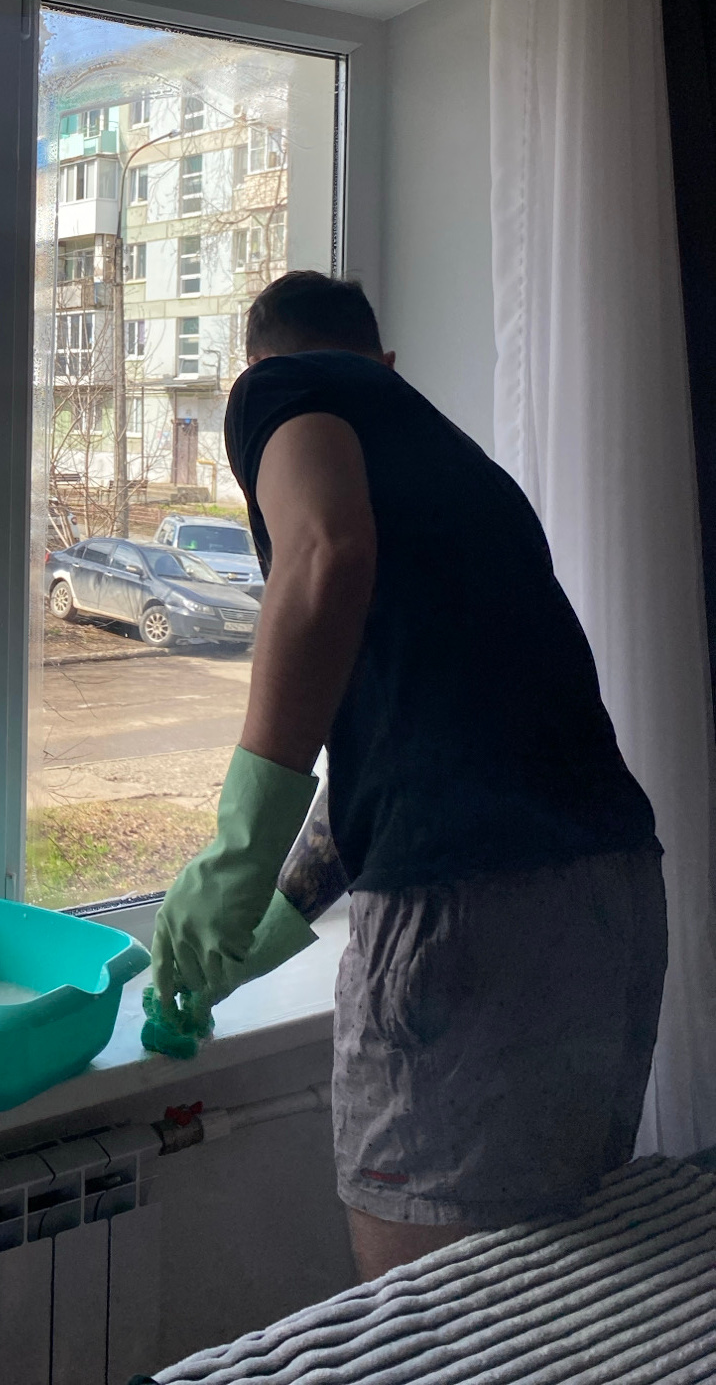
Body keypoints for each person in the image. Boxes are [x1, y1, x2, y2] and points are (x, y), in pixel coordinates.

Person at [151, 269, 665, 1280]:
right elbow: (410, 747)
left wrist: (240, 844)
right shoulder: (465, 471)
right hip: (612, 894)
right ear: (386, 361)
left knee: (431, 1325)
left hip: (465, 920)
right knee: (556, 1302)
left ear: (258, 369)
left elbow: (323, 555)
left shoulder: (280, 388)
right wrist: (271, 925)